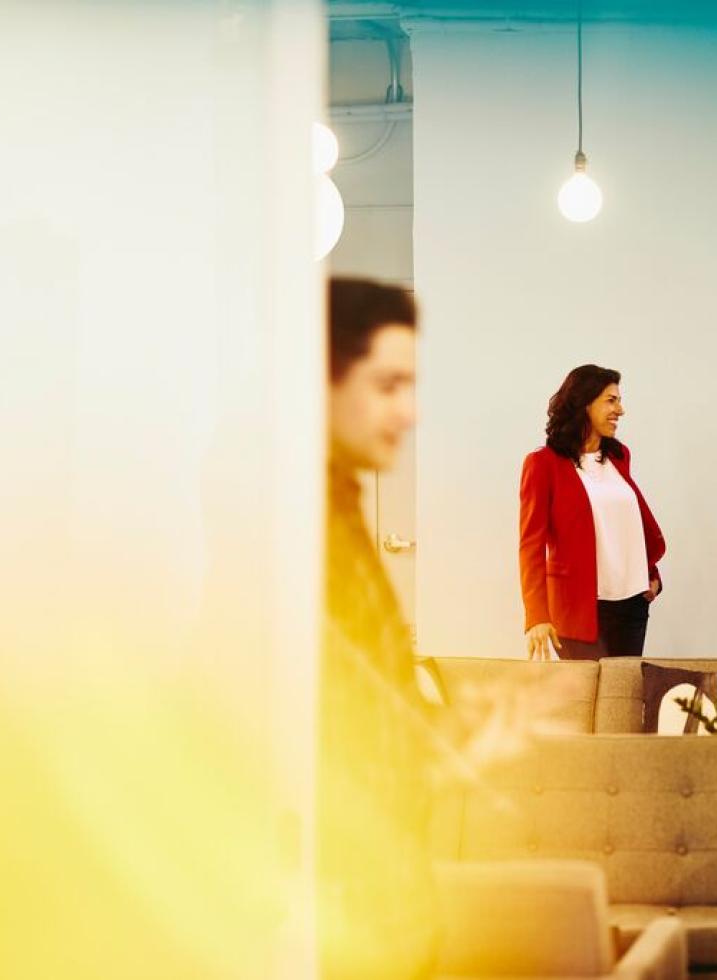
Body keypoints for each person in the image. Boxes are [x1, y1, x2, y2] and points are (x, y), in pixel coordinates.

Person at [321, 277, 435, 979]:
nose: (409, 412)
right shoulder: (293, 524)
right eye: (388, 385)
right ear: (323, 380)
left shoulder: (338, 508)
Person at [520, 364, 665, 660]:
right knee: (586, 700)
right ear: (583, 404)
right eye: (611, 400)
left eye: (619, 400)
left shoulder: (618, 456)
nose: (620, 410)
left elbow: (624, 526)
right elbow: (530, 544)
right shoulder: (543, 464)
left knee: (622, 699)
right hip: (578, 610)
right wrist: (536, 616)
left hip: (633, 604)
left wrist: (651, 573)